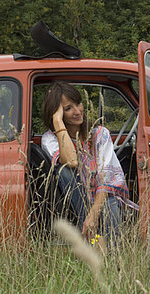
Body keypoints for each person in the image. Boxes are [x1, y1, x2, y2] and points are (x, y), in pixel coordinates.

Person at [41, 81, 137, 245]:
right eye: (68, 108)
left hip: (103, 196)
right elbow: (71, 161)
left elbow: (107, 177)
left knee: (110, 205)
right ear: (56, 113)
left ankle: (110, 258)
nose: (78, 111)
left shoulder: (100, 134)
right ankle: (93, 245)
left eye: (78, 103)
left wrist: (93, 214)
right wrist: (57, 122)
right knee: (63, 170)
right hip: (77, 202)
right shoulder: (50, 139)